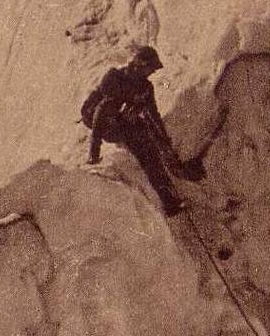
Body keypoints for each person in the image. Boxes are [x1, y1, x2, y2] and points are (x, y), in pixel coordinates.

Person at [82, 45, 194, 217]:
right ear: (140, 65)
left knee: (145, 136)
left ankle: (170, 201)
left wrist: (165, 143)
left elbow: (153, 116)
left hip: (118, 120)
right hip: (96, 117)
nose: (152, 73)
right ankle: (169, 201)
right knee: (138, 140)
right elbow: (100, 112)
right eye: (150, 68)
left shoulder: (146, 88)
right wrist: (94, 152)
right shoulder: (115, 78)